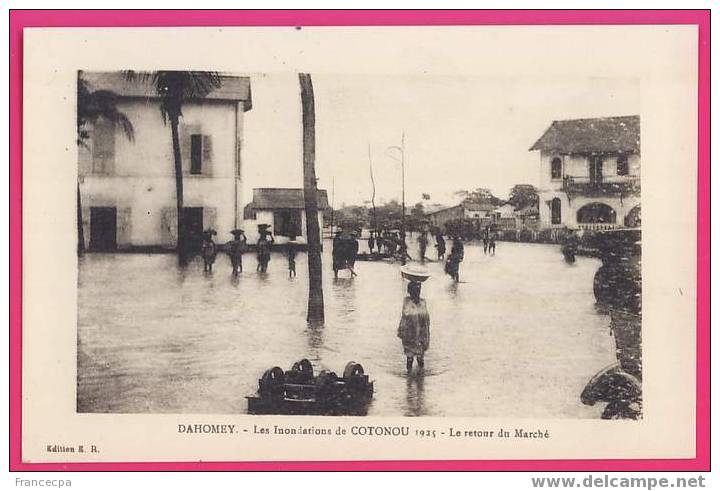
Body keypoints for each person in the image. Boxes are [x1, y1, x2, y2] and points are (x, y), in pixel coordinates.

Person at [397, 280, 430, 373]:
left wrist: (426, 336)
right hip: (410, 335)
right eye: (415, 291)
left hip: (421, 335)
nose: (417, 293)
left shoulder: (423, 302)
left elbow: (427, 319)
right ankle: (409, 380)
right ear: (411, 292)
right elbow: (406, 315)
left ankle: (421, 378)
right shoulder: (407, 302)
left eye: (419, 290)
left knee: (420, 358)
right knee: (410, 358)